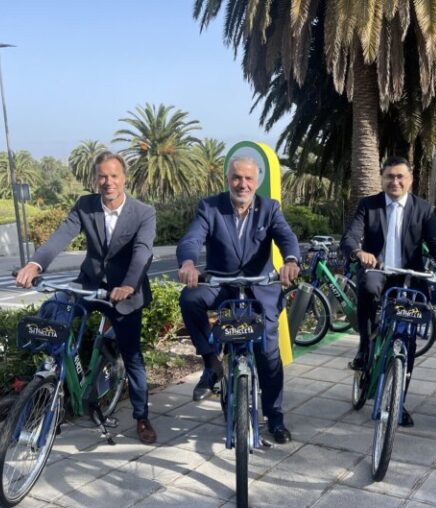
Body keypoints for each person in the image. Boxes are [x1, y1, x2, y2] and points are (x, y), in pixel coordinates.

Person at [16, 151, 158, 444]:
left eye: (114, 176)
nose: (108, 182)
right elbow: (60, 237)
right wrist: (35, 264)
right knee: (56, 309)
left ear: (124, 178)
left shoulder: (144, 212)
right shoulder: (86, 205)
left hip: (124, 292)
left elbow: (143, 251)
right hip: (90, 284)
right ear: (96, 179)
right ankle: (53, 383)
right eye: (102, 176)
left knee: (132, 356)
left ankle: (142, 417)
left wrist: (129, 285)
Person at [177, 155, 301, 444]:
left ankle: (274, 417)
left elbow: (286, 236)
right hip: (223, 284)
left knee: (269, 354)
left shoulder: (269, 208)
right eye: (236, 177)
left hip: (261, 288)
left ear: (256, 182)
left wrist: (292, 260)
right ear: (227, 179)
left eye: (248, 179)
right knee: (190, 298)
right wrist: (187, 263)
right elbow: (192, 238)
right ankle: (211, 361)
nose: (242, 184)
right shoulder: (210, 206)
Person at [341, 156, 436, 427]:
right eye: (389, 177)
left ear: (410, 180)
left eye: (400, 177)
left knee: (407, 341)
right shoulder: (368, 205)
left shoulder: (424, 209)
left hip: (409, 277)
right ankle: (365, 347)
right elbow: (350, 237)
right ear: (382, 179)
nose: (395, 181)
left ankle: (399, 401)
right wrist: (359, 252)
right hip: (377, 271)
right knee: (369, 290)